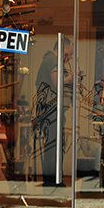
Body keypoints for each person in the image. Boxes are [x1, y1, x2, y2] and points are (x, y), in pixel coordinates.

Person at [34, 35, 73, 186]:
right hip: (52, 113)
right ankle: (52, 181)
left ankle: (52, 179)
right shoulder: (52, 61)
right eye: (69, 54)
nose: (69, 58)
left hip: (50, 112)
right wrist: (69, 79)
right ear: (63, 49)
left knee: (53, 145)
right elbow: (57, 83)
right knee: (53, 146)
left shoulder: (49, 60)